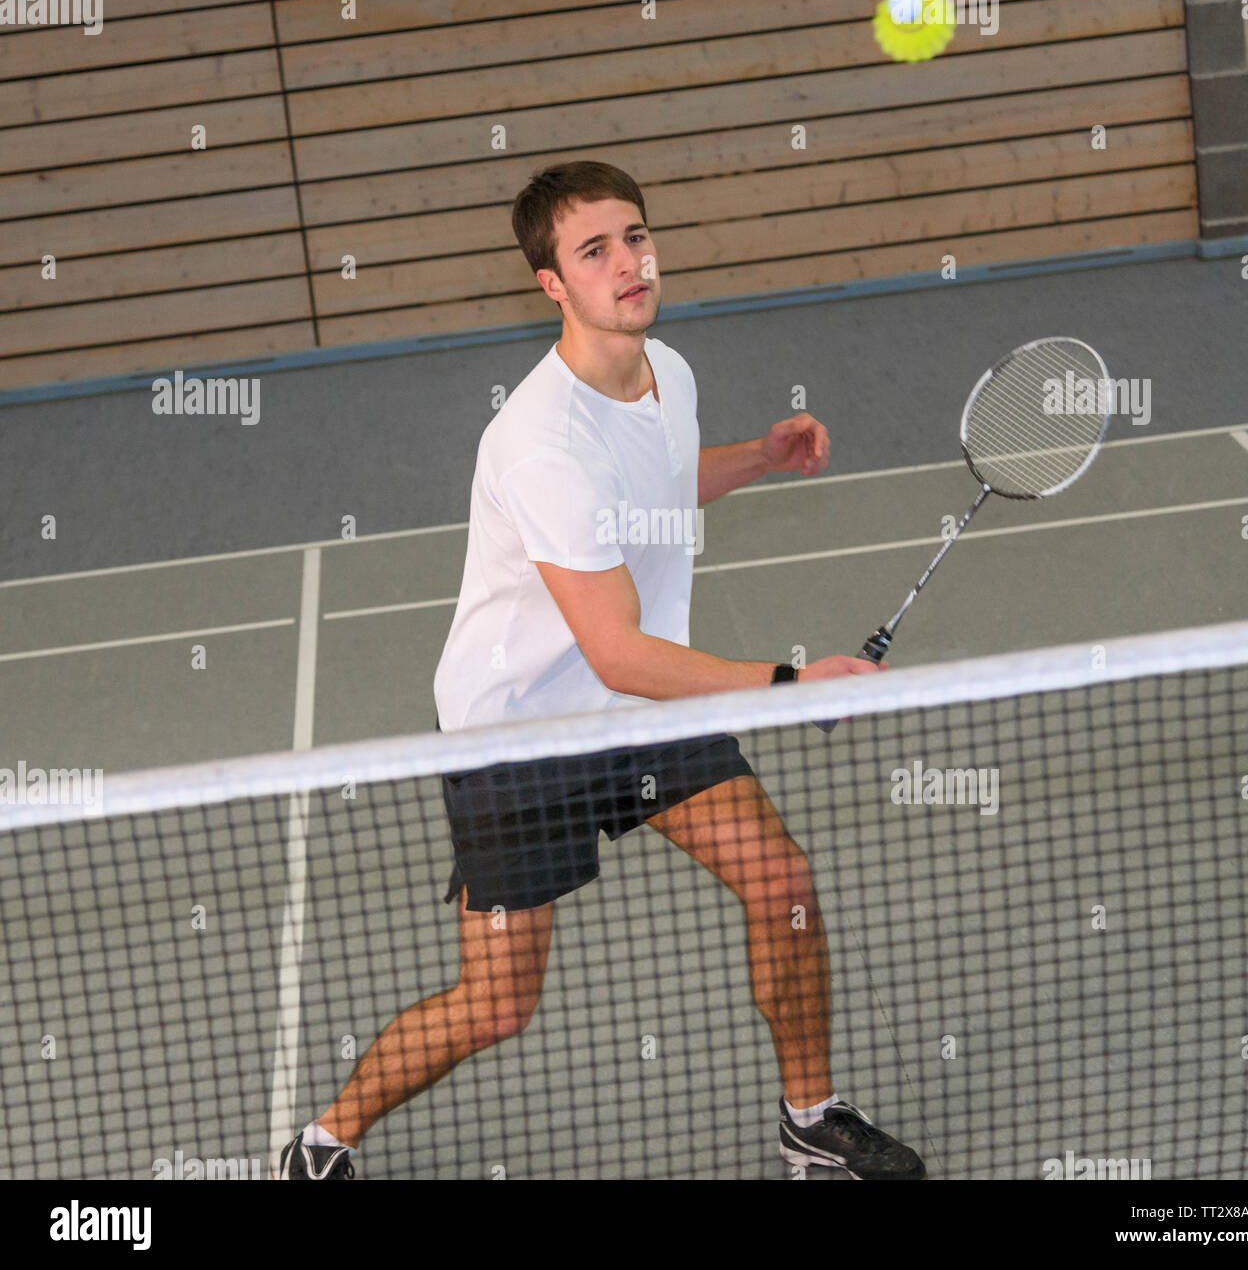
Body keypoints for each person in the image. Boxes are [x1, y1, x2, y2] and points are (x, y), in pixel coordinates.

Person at [280, 161, 924, 1181]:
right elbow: (616, 650)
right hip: (522, 729)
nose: (628, 262)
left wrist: (754, 456)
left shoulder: (667, 370)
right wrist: (795, 688)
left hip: (638, 708)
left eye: (635, 236)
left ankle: (810, 1117)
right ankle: (320, 1140)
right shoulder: (538, 444)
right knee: (498, 1002)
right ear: (552, 285)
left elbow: (658, 483)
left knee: (783, 880)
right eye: (595, 251)